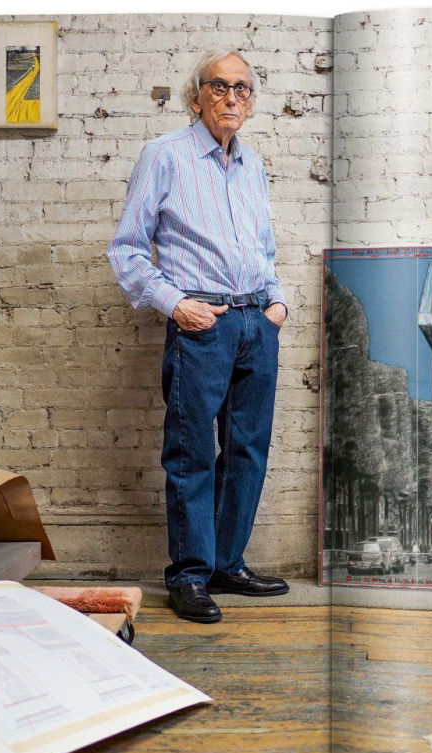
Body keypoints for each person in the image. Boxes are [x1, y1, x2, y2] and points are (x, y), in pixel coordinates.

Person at [108, 48, 290, 623]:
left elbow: (262, 249)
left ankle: (226, 565)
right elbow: (128, 249)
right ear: (197, 98)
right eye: (220, 86)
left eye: (242, 88)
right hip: (202, 325)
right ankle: (189, 575)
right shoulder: (165, 156)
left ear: (251, 102)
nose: (232, 97)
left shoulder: (252, 166)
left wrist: (277, 303)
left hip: (256, 323)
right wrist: (177, 305)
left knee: (246, 450)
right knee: (191, 456)